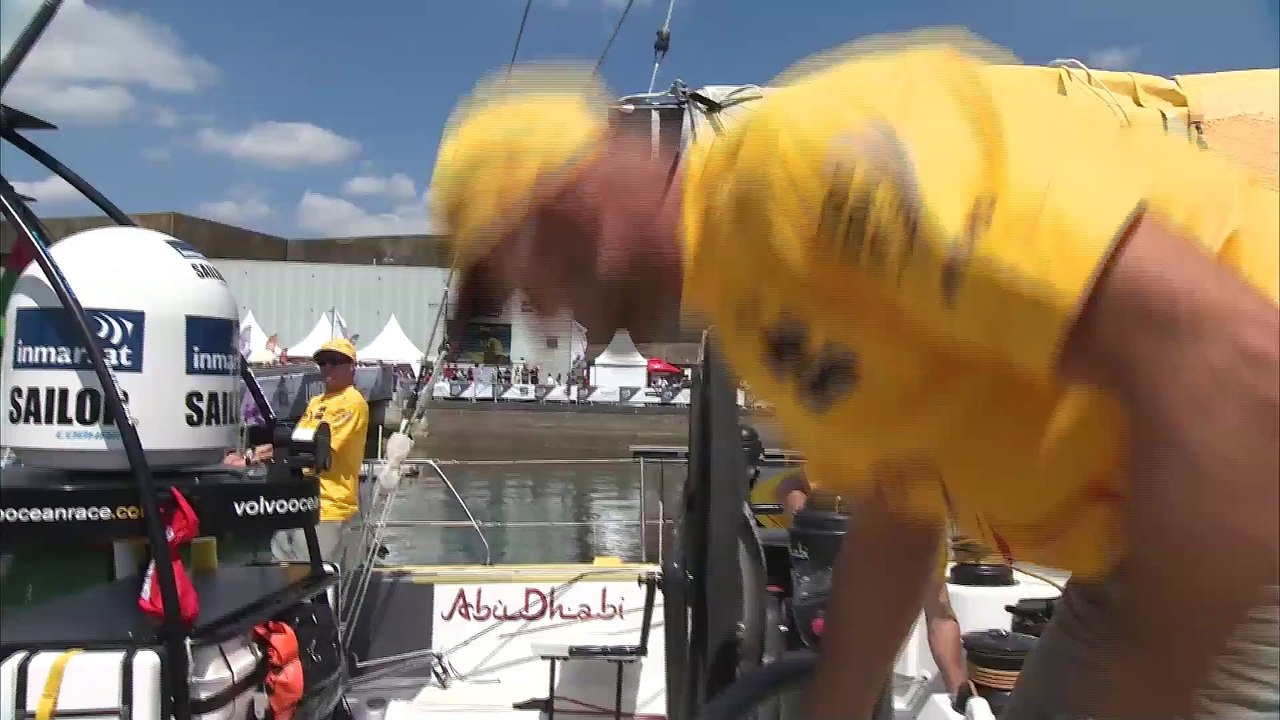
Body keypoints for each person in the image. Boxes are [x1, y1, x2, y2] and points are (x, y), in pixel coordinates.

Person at [427, 34, 1278, 719]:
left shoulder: (808, 173)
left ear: (570, 208)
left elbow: (1231, 369)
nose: (541, 316)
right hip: (1144, 535)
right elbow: (900, 512)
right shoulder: (755, 309)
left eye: (524, 280)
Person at [770, 466, 974, 707]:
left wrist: (961, 694)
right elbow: (789, 485)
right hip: (810, 622)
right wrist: (804, 519)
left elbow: (940, 618)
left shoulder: (924, 534)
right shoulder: (850, 464)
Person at [270, 338, 370, 571]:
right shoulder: (316, 402)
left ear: (352, 366)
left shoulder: (353, 402)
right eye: (322, 362)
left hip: (329, 506)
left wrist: (281, 448)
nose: (327, 367)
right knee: (280, 569)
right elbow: (298, 438)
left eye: (335, 361)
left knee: (310, 574)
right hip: (298, 499)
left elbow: (322, 446)